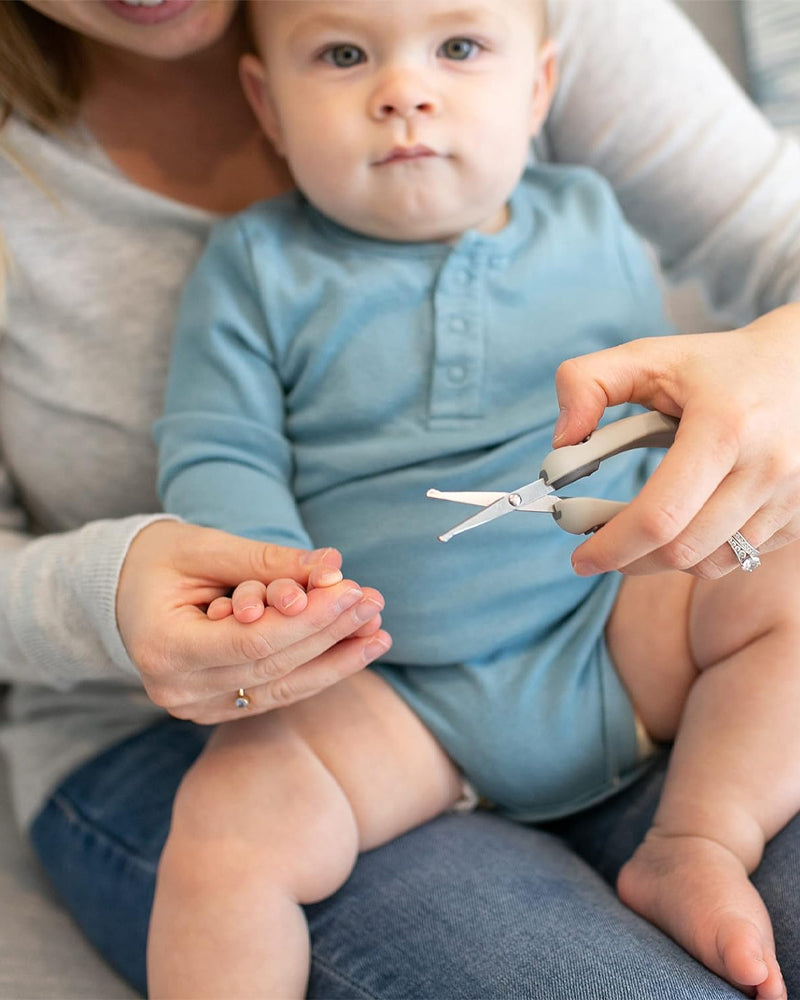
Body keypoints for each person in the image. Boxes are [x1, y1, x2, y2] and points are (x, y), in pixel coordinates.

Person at [1, 0, 800, 997]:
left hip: (614, 626)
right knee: (231, 827)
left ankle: (699, 838)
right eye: (344, 56)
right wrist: (269, 589)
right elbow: (220, 450)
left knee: (783, 587)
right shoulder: (254, 267)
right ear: (267, 105)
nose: (404, 92)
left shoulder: (591, 215)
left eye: (458, 49)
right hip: (383, 683)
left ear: (539, 89)